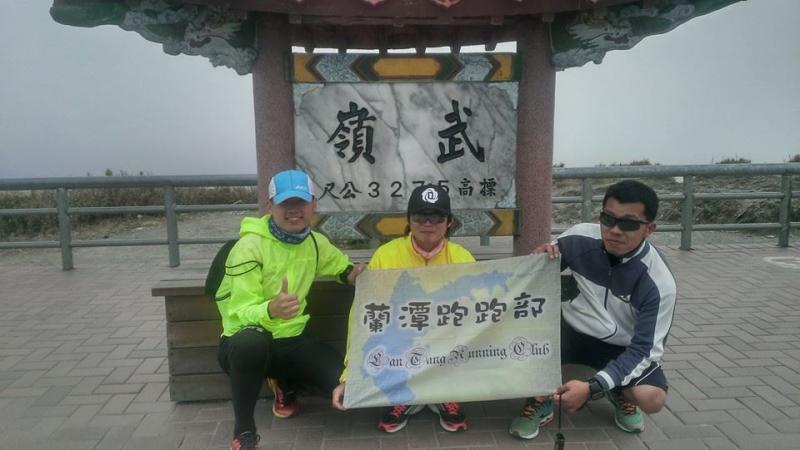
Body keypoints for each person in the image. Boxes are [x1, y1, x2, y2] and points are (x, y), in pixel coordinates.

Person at [509, 179, 677, 439]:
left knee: (652, 398)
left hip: (620, 347)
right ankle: (540, 398)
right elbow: (538, 273)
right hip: (570, 331)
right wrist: (539, 259)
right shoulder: (580, 238)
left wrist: (593, 387)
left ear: (649, 229)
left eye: (629, 223)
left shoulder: (659, 283)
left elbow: (644, 350)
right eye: (608, 219)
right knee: (520, 342)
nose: (615, 230)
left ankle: (618, 391)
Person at [214, 169, 365, 450]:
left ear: (313, 205)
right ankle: (244, 431)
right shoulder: (248, 247)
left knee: (347, 388)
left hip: (292, 338)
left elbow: (342, 269)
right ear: (270, 206)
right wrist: (270, 309)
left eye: (301, 202)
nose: (294, 210)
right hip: (245, 340)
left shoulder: (316, 242)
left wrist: (358, 275)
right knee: (250, 344)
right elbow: (239, 311)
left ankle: (285, 383)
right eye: (285, 203)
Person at [331, 184, 476, 433]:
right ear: (408, 220)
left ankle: (445, 393)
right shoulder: (385, 256)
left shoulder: (463, 258)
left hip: (445, 342)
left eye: (436, 217)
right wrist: (350, 376)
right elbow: (364, 317)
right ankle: (402, 395)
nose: (428, 224)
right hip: (401, 341)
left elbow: (482, 313)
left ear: (449, 222)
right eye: (420, 216)